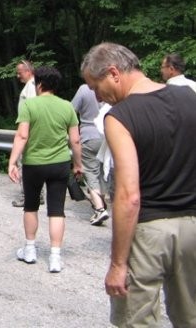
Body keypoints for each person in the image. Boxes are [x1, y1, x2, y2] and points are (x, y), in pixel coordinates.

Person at [81, 42, 196, 327]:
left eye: (95, 87)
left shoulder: (120, 117)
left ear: (113, 73)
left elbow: (129, 195)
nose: (96, 96)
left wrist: (118, 265)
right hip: (193, 227)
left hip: (148, 232)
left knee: (137, 321)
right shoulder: (190, 98)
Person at [7, 66, 82, 273]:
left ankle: (30, 250)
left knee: (31, 206)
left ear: (39, 84)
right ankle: (55, 257)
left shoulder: (29, 106)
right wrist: (78, 164)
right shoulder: (67, 107)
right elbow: (75, 140)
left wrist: (12, 162)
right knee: (57, 210)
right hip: (59, 165)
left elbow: (22, 136)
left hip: (33, 164)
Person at [71, 83, 109, 226]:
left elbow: (71, 109)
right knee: (102, 171)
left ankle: (99, 208)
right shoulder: (108, 86)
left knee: (90, 172)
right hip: (107, 135)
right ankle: (101, 202)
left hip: (89, 135)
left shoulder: (84, 89)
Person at [12, 60, 43, 207]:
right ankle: (39, 195)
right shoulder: (33, 85)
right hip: (33, 130)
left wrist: (25, 132)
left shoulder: (31, 87)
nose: (18, 76)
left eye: (20, 72)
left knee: (24, 163)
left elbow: (32, 110)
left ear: (28, 71)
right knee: (35, 163)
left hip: (28, 131)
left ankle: (27, 197)